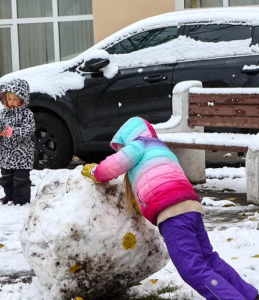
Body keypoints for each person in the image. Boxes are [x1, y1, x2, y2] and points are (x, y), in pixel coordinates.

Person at [81, 117, 258, 300]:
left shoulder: (139, 145)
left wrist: (96, 172)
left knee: (192, 269)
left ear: (128, 138)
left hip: (173, 215)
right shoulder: (161, 150)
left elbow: (113, 166)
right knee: (208, 259)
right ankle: (250, 295)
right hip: (191, 208)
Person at [0, 79, 35, 206]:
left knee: (20, 179)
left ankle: (21, 199)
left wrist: (13, 132)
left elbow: (29, 130)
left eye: (16, 99)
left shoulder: (27, 114)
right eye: (9, 99)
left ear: (23, 99)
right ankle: (9, 195)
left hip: (22, 154)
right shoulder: (4, 113)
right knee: (6, 178)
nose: (12, 103)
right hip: (6, 154)